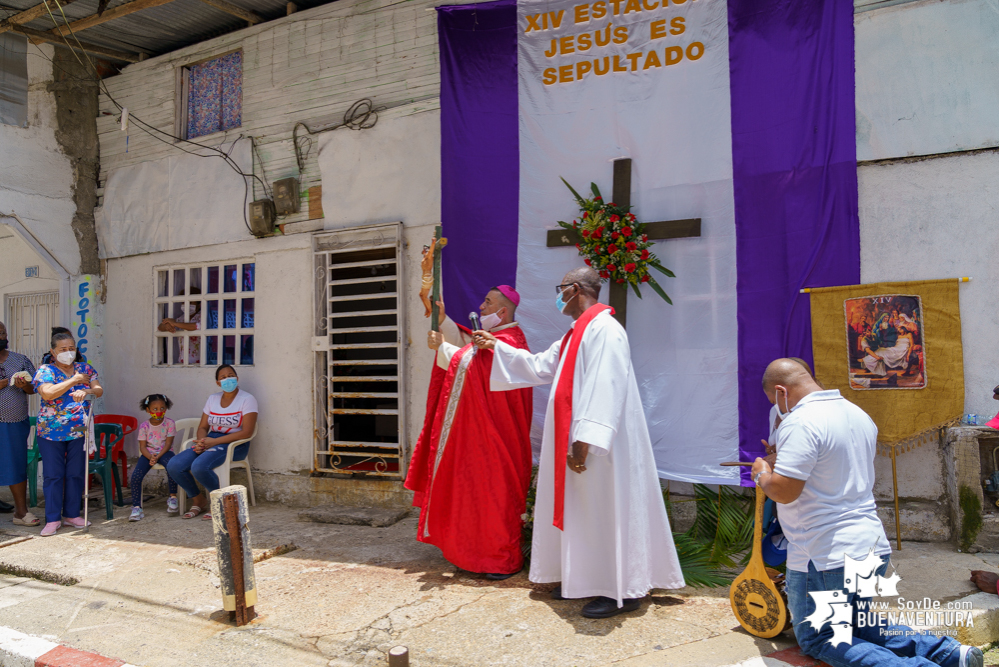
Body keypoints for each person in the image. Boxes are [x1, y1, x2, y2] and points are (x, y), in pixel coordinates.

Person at [474, 267, 684, 618]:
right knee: (584, 512)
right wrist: (497, 347)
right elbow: (542, 366)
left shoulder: (605, 331)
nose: (558, 298)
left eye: (560, 290)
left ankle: (621, 590)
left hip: (603, 448)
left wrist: (585, 439)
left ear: (573, 289)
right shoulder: (577, 332)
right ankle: (583, 579)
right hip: (579, 441)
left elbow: (607, 385)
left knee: (605, 510)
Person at [751, 358, 983, 667]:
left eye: (773, 401)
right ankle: (950, 653)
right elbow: (829, 466)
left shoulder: (800, 422)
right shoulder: (856, 413)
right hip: (870, 545)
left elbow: (783, 491)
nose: (777, 409)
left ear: (781, 391)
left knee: (820, 637)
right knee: (860, 625)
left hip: (823, 554)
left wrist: (761, 473)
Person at [406, 285, 533, 580]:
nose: (482, 306)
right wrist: (443, 322)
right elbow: (468, 349)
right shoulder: (498, 338)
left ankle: (499, 560)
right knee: (474, 495)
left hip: (499, 438)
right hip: (483, 435)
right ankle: (472, 554)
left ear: (503, 311)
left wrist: (441, 347)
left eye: (488, 302)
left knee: (495, 497)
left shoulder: (510, 341)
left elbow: (473, 366)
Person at [32, 332, 103, 537]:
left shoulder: (85, 368)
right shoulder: (45, 370)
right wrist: (74, 381)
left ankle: (72, 515)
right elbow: (47, 393)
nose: (68, 352)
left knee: (75, 474)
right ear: (53, 352)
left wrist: (87, 391)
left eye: (71, 348)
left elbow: (98, 389)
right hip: (50, 431)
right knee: (53, 475)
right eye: (63, 349)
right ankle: (53, 519)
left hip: (79, 429)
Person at [167, 365, 257, 522]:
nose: (227, 379)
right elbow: (203, 427)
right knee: (174, 464)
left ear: (237, 378)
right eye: (223, 377)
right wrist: (202, 441)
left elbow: (247, 432)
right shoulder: (212, 399)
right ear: (217, 382)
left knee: (199, 466)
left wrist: (214, 442)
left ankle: (220, 503)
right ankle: (199, 500)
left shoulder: (247, 399)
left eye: (231, 375)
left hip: (234, 443)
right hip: (211, 440)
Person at [0, 321, 39, 525]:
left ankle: (21, 512)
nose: (1, 336)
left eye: (3, 332)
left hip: (14, 422)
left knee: (15, 464)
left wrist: (25, 386)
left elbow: (34, 389)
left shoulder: (20, 360)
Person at [129, 394, 179, 521]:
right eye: (155, 409)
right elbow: (142, 447)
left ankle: (173, 497)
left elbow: (168, 444)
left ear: (166, 408)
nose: (159, 411)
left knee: (172, 467)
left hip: (165, 452)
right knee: (136, 476)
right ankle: (136, 507)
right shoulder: (144, 426)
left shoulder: (170, 423)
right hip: (148, 454)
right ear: (148, 410)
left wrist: (158, 456)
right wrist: (150, 457)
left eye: (162, 408)